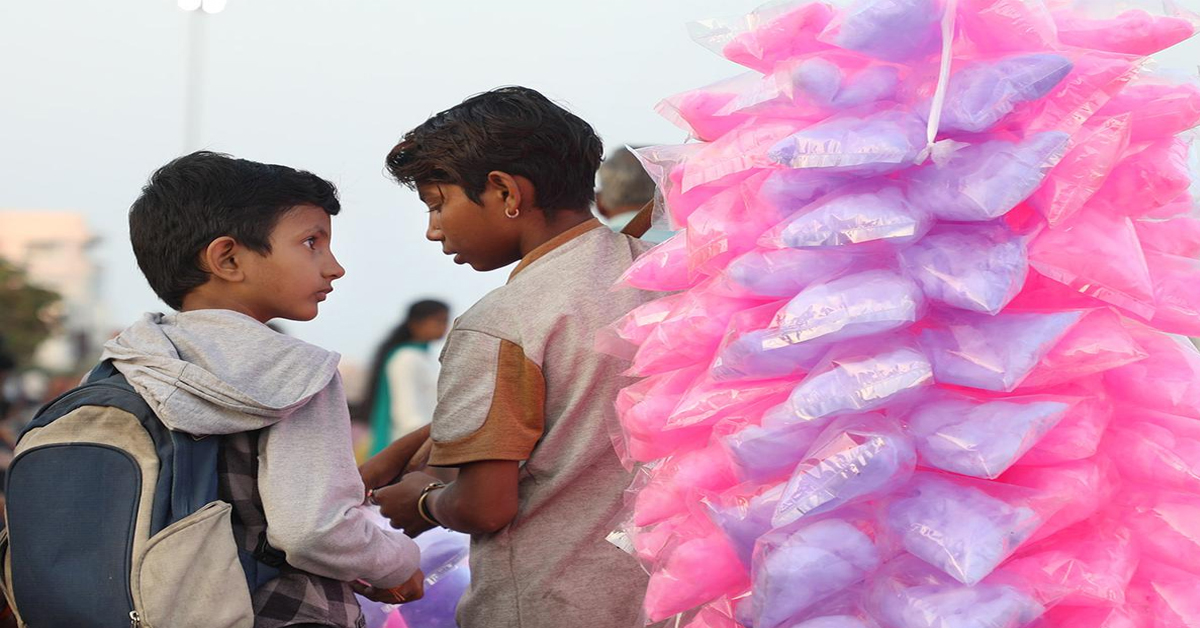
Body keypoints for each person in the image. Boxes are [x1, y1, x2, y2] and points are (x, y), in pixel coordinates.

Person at [359, 86, 659, 628]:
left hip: (553, 603)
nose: (433, 229)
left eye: (438, 202)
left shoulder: (501, 322)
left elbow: (483, 505)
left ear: (503, 191)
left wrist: (422, 502)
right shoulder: (661, 280)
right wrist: (412, 446)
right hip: (669, 599)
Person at [101, 151, 423, 628]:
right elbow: (313, 531)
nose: (334, 267)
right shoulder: (300, 374)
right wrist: (401, 562)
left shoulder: (126, 365)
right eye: (311, 242)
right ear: (228, 258)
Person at [364, 299, 450, 456]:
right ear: (416, 323)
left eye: (445, 321)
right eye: (439, 321)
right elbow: (406, 412)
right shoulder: (406, 357)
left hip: (424, 443)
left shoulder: (424, 357)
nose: (444, 327)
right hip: (408, 448)